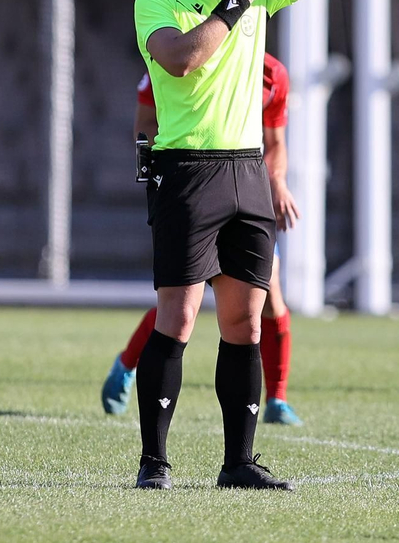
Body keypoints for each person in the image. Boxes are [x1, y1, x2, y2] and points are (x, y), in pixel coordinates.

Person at [130, 0, 399, 491]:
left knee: (245, 321)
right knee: (176, 319)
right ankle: (154, 464)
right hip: (187, 171)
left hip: (247, 174)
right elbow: (181, 59)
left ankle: (238, 463)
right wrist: (237, 4)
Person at [101, 52, 304, 426]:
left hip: (245, 193)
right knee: (182, 305)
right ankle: (126, 365)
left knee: (268, 299)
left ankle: (277, 398)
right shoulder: (179, 56)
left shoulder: (273, 74)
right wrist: (160, 179)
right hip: (191, 190)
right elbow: (145, 122)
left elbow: (275, 142)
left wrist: (276, 183)